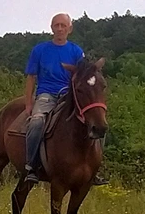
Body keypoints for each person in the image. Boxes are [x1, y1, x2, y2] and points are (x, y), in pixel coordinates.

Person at [22, 13, 107, 185]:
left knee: (99, 123)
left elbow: (85, 74)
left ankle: (94, 169)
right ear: (51, 28)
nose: (60, 29)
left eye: (63, 25)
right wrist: (29, 102)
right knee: (36, 123)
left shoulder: (76, 51)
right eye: (56, 25)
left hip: (69, 95)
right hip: (46, 95)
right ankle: (31, 166)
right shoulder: (39, 50)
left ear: (70, 28)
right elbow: (31, 77)